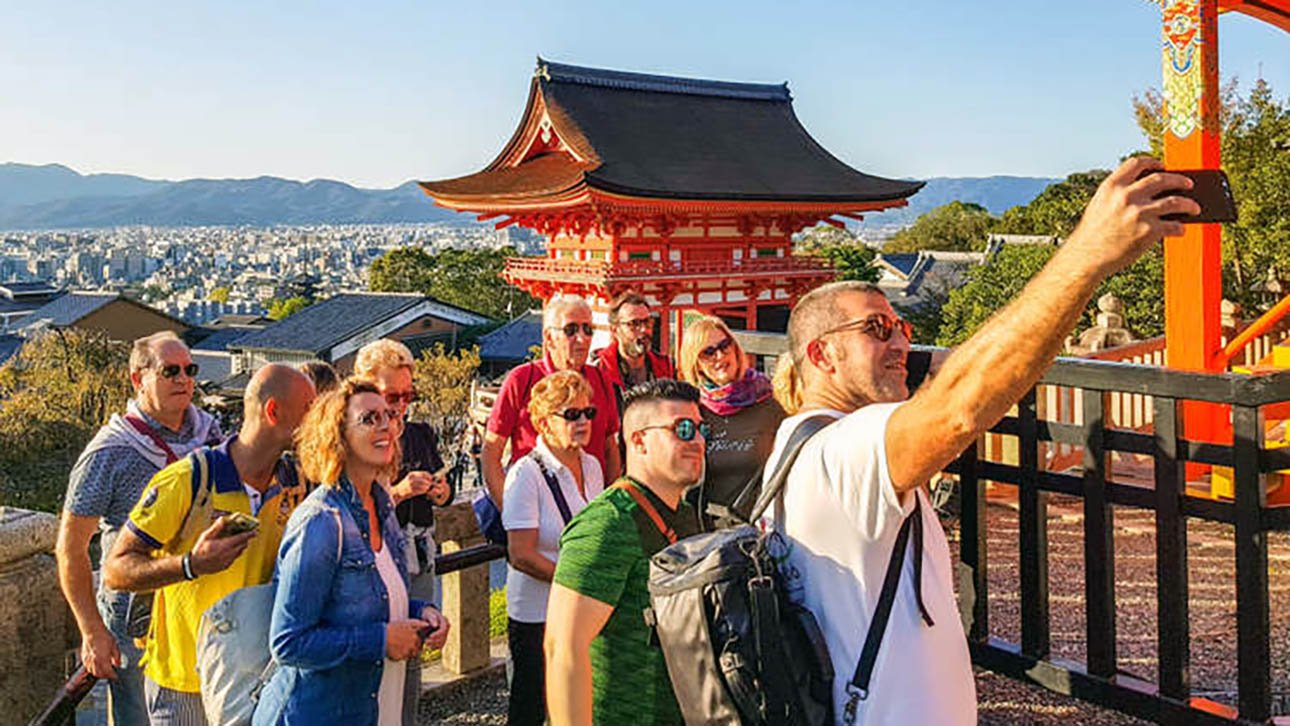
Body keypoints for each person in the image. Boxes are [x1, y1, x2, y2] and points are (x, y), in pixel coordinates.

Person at [763, 157, 1199, 724]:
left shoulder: (800, 445)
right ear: (820, 354)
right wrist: (1089, 252)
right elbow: (962, 405)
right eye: (875, 329)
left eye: (902, 328)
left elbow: (967, 379)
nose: (898, 343)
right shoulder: (842, 454)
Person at [102, 363, 315, 725]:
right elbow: (116, 570)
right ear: (274, 412)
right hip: (187, 681)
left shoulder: (297, 483)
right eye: (310, 409)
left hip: (260, 673)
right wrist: (191, 565)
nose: (318, 420)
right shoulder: (187, 481)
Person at [253, 378, 450, 726]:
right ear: (338, 436)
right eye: (369, 419)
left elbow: (378, 598)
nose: (386, 426)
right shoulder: (320, 522)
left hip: (373, 706)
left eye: (389, 416)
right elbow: (287, 643)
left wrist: (424, 612)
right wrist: (381, 640)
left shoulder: (383, 508)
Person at [56, 330, 223, 725]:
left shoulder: (211, 434)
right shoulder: (110, 451)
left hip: (201, 602)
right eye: (170, 371)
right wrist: (92, 631)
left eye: (189, 369)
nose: (183, 379)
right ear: (138, 379)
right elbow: (71, 547)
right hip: (137, 617)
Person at [545, 379, 705, 726]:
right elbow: (562, 649)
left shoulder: (686, 515)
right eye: (683, 429)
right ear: (638, 440)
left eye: (700, 428)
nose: (698, 441)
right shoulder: (607, 523)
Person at [502, 371, 605, 726]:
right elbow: (520, 554)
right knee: (530, 707)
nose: (582, 422)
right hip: (536, 612)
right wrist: (575, 581)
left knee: (576, 704)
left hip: (580, 609)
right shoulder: (525, 474)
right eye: (571, 414)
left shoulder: (591, 466)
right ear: (544, 423)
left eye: (587, 413)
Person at [481, 297, 621, 510]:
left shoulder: (600, 379)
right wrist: (508, 510)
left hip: (590, 509)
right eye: (571, 330)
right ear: (549, 337)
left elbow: (610, 448)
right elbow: (491, 451)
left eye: (588, 329)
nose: (581, 338)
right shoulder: (522, 379)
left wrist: (610, 509)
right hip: (536, 510)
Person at [353, 339, 451, 600]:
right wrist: (399, 492)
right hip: (372, 558)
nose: (400, 405)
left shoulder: (420, 433)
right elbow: (350, 511)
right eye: (392, 396)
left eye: (408, 396)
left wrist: (439, 491)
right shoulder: (354, 445)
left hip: (419, 550)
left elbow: (445, 488)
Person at [677, 315, 785, 528]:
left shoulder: (770, 401)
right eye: (708, 352)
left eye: (725, 345)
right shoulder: (692, 410)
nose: (719, 355)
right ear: (696, 364)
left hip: (758, 532)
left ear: (735, 349)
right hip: (704, 535)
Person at [593, 291, 675, 416]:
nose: (644, 330)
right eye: (634, 324)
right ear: (615, 330)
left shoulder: (665, 366)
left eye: (647, 322)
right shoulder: (600, 371)